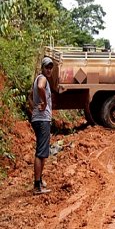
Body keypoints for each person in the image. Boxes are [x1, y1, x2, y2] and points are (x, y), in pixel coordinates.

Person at [31, 57, 54, 195]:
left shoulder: (38, 78)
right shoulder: (42, 79)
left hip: (38, 118)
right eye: (47, 67)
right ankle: (37, 186)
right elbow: (40, 87)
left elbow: (30, 96)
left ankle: (39, 180)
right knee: (41, 153)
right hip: (42, 119)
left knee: (42, 151)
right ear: (42, 68)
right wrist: (44, 103)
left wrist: (34, 107)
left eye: (51, 67)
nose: (49, 69)